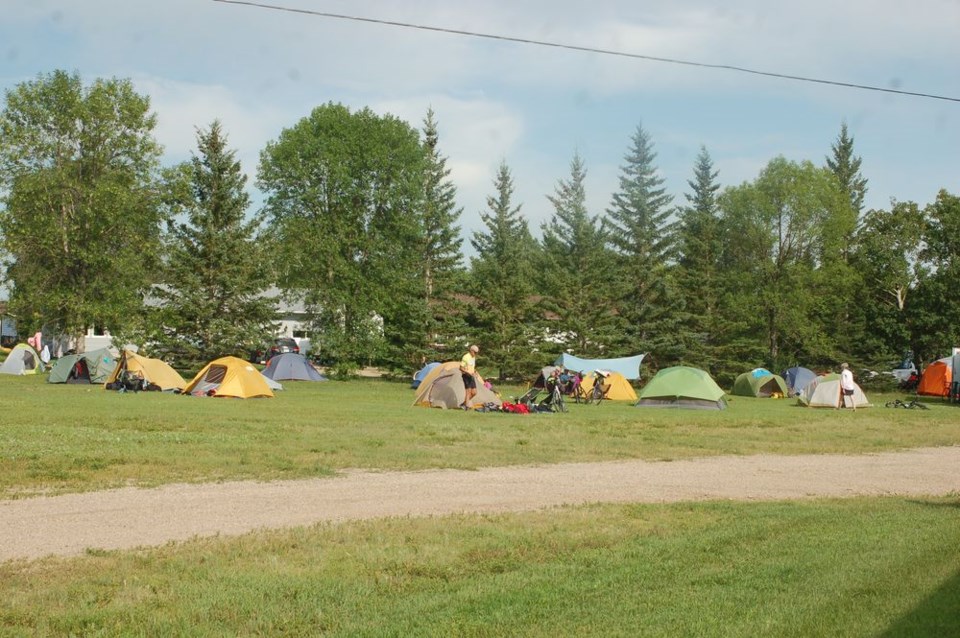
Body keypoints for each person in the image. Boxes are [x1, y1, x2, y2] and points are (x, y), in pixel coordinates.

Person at [459, 344, 479, 410]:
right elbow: (461, 368)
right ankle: (466, 407)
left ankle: (464, 404)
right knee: (468, 391)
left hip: (471, 376)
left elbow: (472, 367)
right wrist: (468, 372)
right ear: (471, 350)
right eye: (475, 352)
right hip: (466, 376)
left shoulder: (473, 357)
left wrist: (475, 372)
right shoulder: (465, 357)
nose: (475, 354)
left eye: (477, 353)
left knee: (474, 392)